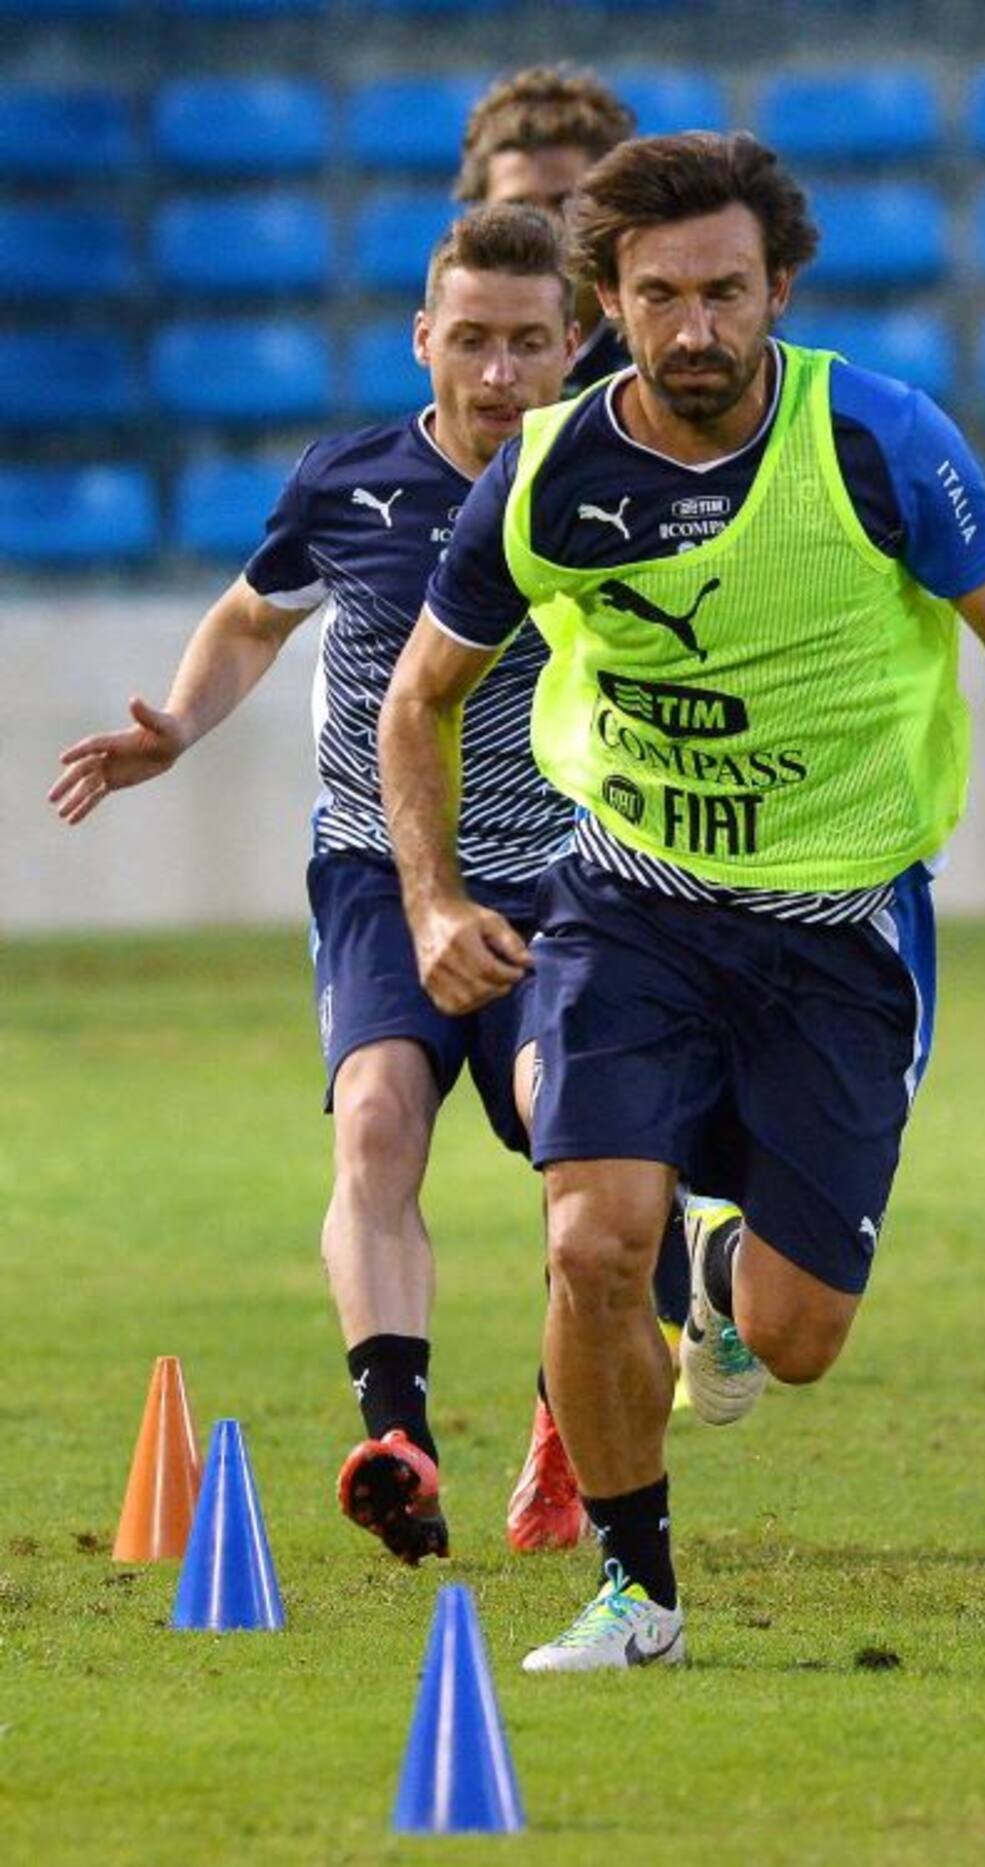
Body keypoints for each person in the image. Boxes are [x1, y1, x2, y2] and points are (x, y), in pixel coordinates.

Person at [376, 130, 985, 1670]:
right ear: (606, 306)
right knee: (587, 1239)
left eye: (725, 292)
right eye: (659, 297)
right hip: (629, 905)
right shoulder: (554, 472)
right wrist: (434, 899)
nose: (694, 329)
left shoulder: (880, 441)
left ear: (780, 289)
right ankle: (637, 1591)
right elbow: (420, 693)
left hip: (840, 930)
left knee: (798, 1336)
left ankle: (720, 1273)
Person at [49, 204, 580, 1567]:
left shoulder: (617, 488)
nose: (501, 372)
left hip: (570, 882)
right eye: (472, 339)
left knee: (592, 1156)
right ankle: (396, 1434)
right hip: (381, 874)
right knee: (376, 1126)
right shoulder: (348, 481)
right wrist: (177, 719)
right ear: (424, 340)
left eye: (530, 342)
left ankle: (575, 1426)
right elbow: (248, 614)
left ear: (574, 344)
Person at [464, 64, 696, 1550]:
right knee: (582, 1174)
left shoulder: (730, 421)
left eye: (570, 209)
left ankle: (595, 1427)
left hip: (718, 857)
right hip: (532, 870)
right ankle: (607, 1443)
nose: (548, 229)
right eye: (518, 207)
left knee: (624, 1170)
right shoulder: (479, 444)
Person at [458, 64, 634, 394]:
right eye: (517, 208)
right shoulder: (456, 356)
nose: (543, 227)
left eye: (565, 202)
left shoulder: (655, 359)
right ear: (476, 217)